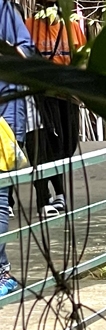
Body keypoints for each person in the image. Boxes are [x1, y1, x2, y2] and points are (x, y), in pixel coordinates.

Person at [25, 0, 85, 217]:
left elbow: (81, 60)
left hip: (68, 95)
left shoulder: (73, 27)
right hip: (44, 96)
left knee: (68, 144)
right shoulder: (30, 25)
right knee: (50, 141)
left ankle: (57, 189)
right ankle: (55, 193)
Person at [0, 0, 35, 297]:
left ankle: (1, 273)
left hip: (5, 121)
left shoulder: (4, 9)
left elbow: (26, 51)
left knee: (0, 198)